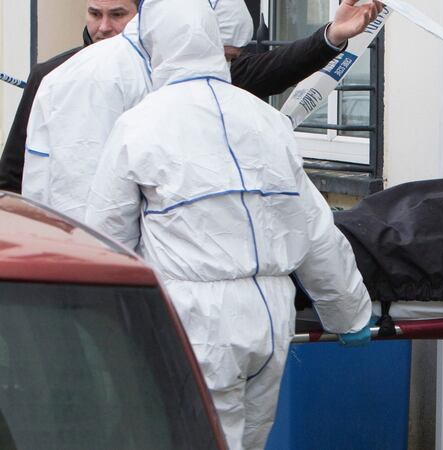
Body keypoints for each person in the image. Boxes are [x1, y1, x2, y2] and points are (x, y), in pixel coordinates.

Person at [84, 1, 372, 447]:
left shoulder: (138, 126)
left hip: (196, 318)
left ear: (153, 45)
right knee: (250, 439)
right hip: (270, 318)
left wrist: (106, 331)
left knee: (199, 437)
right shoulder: (266, 121)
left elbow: (107, 241)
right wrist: (350, 313)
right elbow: (315, 228)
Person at [0, 0, 383, 194]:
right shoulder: (52, 75)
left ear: (147, 17)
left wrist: (332, 35)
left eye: (117, 14)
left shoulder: (181, 72)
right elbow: (13, 177)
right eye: (95, 14)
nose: (104, 27)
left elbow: (271, 70)